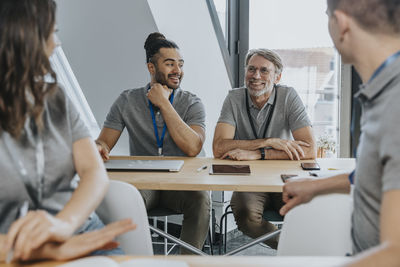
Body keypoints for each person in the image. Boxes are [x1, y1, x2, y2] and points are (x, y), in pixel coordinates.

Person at [0, 0, 135, 262]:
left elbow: (93, 171)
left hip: (79, 236)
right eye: (52, 32)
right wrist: (41, 250)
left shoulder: (56, 98)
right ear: (23, 37)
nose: (56, 43)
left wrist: (64, 224)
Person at [280, 0, 400, 266]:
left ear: (342, 24)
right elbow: (380, 173)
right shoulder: (384, 90)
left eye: (327, 17)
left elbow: (395, 255)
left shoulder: (395, 104)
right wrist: (316, 187)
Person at [96, 32, 210, 254]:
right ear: (151, 68)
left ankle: (187, 263)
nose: (177, 71)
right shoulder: (127, 100)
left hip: (180, 184)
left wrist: (165, 104)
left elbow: (193, 147)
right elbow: (104, 141)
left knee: (201, 199)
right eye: (169, 64)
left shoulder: (192, 103)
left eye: (180, 64)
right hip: (143, 182)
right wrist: (99, 147)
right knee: (122, 200)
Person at [213, 48, 316, 248]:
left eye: (264, 70)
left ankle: (299, 254)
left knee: (309, 209)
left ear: (277, 77)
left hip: (284, 177)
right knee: (245, 215)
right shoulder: (234, 98)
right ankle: (293, 252)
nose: (256, 76)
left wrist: (259, 154)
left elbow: (310, 149)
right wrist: (268, 141)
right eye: (251, 69)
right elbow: (219, 147)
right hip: (248, 181)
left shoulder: (288, 96)